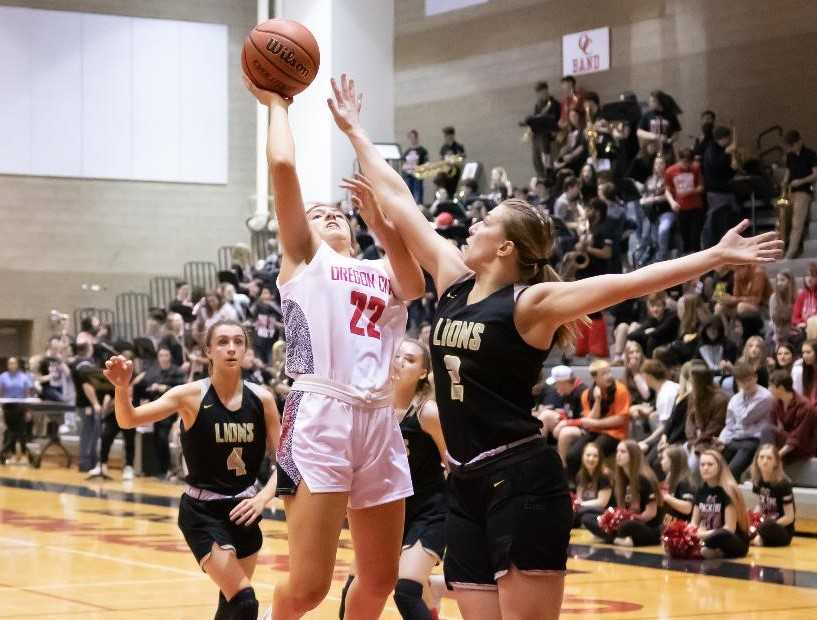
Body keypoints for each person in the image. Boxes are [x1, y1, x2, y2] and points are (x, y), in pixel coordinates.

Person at [328, 72, 780, 620]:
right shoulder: (452, 278)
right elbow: (399, 200)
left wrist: (711, 256)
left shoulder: (531, 304)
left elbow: (626, 283)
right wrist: (355, 132)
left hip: (520, 479)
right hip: (464, 484)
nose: (473, 224)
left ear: (506, 248)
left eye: (486, 223)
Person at [245, 74, 426, 620]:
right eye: (319, 214)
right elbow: (282, 170)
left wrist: (384, 226)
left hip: (378, 420)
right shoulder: (305, 260)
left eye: (339, 215)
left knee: (380, 578)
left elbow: (415, 286)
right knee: (308, 588)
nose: (330, 217)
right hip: (320, 411)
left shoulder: (380, 269)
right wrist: (277, 104)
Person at [104, 321, 280, 619]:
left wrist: (262, 498)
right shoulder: (189, 395)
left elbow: (289, 459)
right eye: (223, 342)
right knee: (245, 601)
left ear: (246, 350)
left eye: (238, 342)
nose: (231, 348)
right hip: (202, 511)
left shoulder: (262, 399)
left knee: (231, 605)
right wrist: (122, 388)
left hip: (245, 509)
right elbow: (128, 419)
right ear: (207, 351)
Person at [339, 339, 447, 620]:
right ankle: (432, 594)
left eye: (410, 359)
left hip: (428, 511)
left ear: (423, 373)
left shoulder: (427, 413)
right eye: (396, 355)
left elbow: (452, 463)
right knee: (354, 587)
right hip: (385, 511)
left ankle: (428, 590)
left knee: (406, 590)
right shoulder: (373, 409)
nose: (399, 362)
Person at [582, 439, 662, 547]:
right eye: (617, 451)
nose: (618, 455)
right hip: (627, 523)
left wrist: (629, 518)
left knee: (626, 526)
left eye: (623, 452)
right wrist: (613, 519)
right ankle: (619, 538)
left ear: (633, 455)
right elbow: (620, 508)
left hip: (645, 525)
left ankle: (612, 537)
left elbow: (651, 514)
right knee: (587, 518)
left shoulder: (645, 478)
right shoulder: (620, 479)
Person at [718, 360, 774, 480]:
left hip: (754, 440)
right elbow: (729, 424)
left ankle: (733, 496)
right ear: (737, 382)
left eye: (749, 380)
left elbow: (745, 419)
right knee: (716, 467)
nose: (746, 384)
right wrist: (722, 440)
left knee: (732, 471)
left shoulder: (765, 397)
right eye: (742, 381)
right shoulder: (735, 399)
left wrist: (739, 396)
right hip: (735, 439)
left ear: (755, 378)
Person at [691, 449, 750, 559]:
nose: (705, 468)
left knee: (721, 535)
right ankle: (712, 551)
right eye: (702, 465)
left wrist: (702, 534)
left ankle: (712, 550)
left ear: (719, 467)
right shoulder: (700, 490)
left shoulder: (729, 490)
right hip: (709, 537)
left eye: (710, 464)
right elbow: (693, 523)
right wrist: (692, 531)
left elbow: (729, 529)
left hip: (731, 539)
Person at [765, 370, 817, 462]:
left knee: (767, 430)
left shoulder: (805, 407)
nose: (769, 389)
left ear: (780, 388)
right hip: (787, 441)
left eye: (771, 387)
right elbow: (770, 424)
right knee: (766, 429)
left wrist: (776, 457)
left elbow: (797, 438)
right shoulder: (776, 402)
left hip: (802, 446)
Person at [749, 444, 796, 547]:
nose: (765, 461)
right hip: (764, 524)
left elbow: (789, 517)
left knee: (766, 524)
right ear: (757, 460)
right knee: (746, 517)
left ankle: (758, 537)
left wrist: (762, 527)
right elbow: (761, 504)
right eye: (761, 457)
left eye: (769, 458)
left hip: (781, 530)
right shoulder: (758, 481)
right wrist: (754, 517)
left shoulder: (783, 484)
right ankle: (756, 538)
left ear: (776, 462)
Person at [702, 126, 740, 249]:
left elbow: (726, 171)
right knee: (716, 220)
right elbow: (715, 165)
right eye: (727, 138)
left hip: (725, 190)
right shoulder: (712, 149)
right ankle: (713, 246)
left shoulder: (723, 150)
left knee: (727, 219)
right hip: (716, 192)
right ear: (722, 138)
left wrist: (733, 168)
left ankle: (728, 245)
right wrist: (726, 153)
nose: (729, 141)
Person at [781, 130, 817, 259]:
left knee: (797, 222)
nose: (791, 149)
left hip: (804, 192)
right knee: (783, 220)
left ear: (799, 142)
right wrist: (784, 182)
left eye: (793, 145)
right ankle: (780, 250)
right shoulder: (790, 156)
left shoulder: (810, 154)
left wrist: (800, 181)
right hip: (790, 192)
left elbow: (815, 174)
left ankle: (791, 252)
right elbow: (788, 172)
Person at [664, 148, 705, 254]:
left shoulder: (695, 168)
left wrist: (690, 191)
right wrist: (672, 202)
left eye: (689, 163)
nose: (687, 166)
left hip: (696, 206)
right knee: (684, 237)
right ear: (680, 160)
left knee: (695, 236)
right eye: (684, 163)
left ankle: (698, 261)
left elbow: (701, 187)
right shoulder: (670, 171)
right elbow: (667, 190)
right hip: (681, 208)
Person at [521, 81, 560, 179]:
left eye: (543, 92)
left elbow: (553, 120)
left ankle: (548, 170)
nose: (541, 95)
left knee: (543, 141)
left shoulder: (553, 104)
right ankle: (540, 176)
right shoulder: (538, 105)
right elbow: (535, 120)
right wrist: (528, 132)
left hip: (549, 133)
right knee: (535, 157)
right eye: (539, 94)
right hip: (538, 134)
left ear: (547, 90)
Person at [0, 358, 35, 464]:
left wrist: (28, 410)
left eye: (14, 363)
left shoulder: (24, 377)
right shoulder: (3, 377)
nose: (12, 365)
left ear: (17, 364)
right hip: (8, 408)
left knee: (22, 432)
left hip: (21, 407)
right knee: (10, 432)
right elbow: (1, 392)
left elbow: (27, 393)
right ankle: (10, 454)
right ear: (7, 365)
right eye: (10, 363)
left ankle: (23, 455)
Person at [572, 442, 612, 527]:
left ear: (600, 458)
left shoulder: (605, 475)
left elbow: (602, 503)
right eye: (588, 455)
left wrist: (580, 505)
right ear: (583, 457)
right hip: (585, 509)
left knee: (584, 516)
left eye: (595, 456)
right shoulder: (580, 475)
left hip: (603, 511)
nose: (591, 459)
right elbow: (579, 498)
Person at [658, 446, 695, 523]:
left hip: (680, 529)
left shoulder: (684, 481)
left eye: (664, 458)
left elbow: (688, 508)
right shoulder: (669, 478)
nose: (661, 462)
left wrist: (666, 496)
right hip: (667, 524)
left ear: (672, 461)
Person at [402, 130, 429, 205]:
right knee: (409, 194)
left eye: (413, 137)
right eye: (410, 138)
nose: (411, 139)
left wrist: (419, 167)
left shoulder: (422, 151)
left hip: (417, 176)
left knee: (417, 194)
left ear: (416, 138)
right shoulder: (407, 151)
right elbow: (403, 164)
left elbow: (427, 163)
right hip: (408, 176)